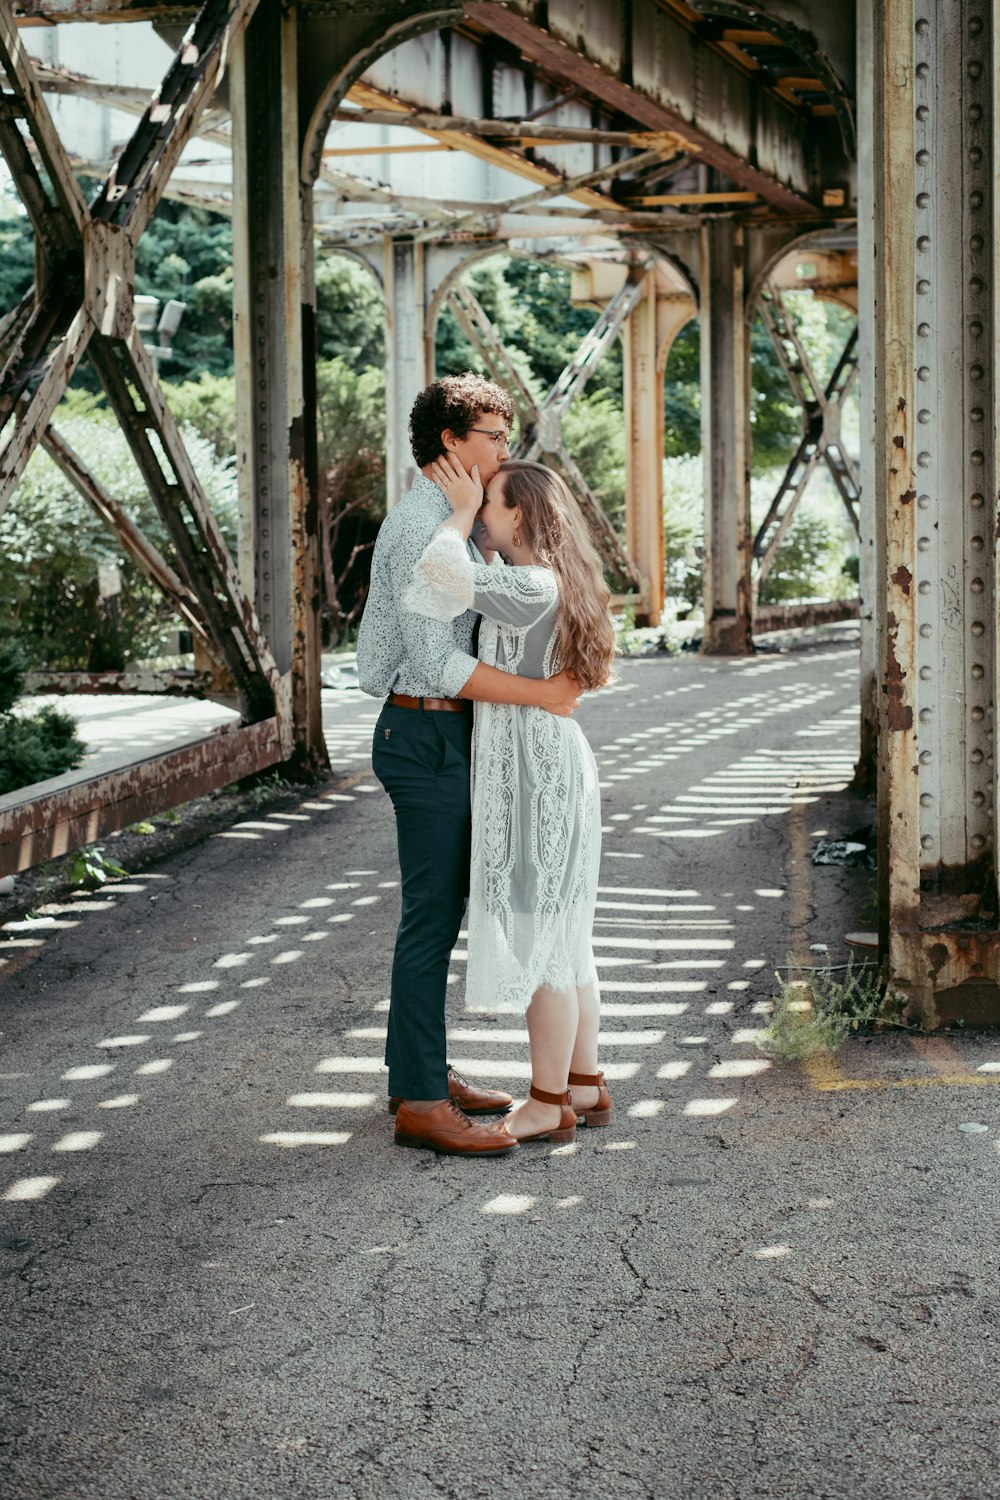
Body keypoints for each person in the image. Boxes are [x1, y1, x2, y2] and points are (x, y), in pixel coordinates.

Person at [356, 374, 583, 1158]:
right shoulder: (432, 523)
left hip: (442, 733)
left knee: (438, 914)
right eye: (493, 434)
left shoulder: (449, 517)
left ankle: (415, 1070)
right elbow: (436, 662)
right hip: (426, 731)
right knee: (433, 918)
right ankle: (421, 1102)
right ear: (451, 441)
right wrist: (547, 695)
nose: (504, 447)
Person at [404, 455, 616, 1146]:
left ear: (517, 513)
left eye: (492, 501)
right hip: (553, 764)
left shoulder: (528, 585)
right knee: (566, 936)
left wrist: (458, 511)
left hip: (535, 774)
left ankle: (547, 1102)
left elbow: (439, 574)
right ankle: (585, 1084)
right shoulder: (546, 580)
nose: (481, 512)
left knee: (544, 941)